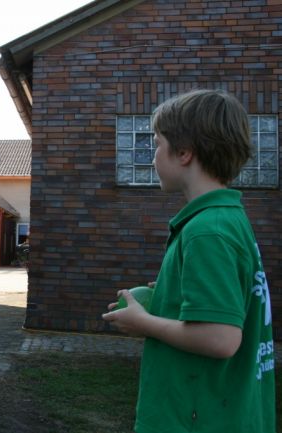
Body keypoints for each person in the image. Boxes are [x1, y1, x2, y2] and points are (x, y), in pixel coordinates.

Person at [102, 89, 276, 432]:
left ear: (183, 152)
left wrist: (144, 323)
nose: (153, 156)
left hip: (198, 420)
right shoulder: (228, 218)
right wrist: (175, 290)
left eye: (157, 144)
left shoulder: (206, 231)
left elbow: (220, 338)